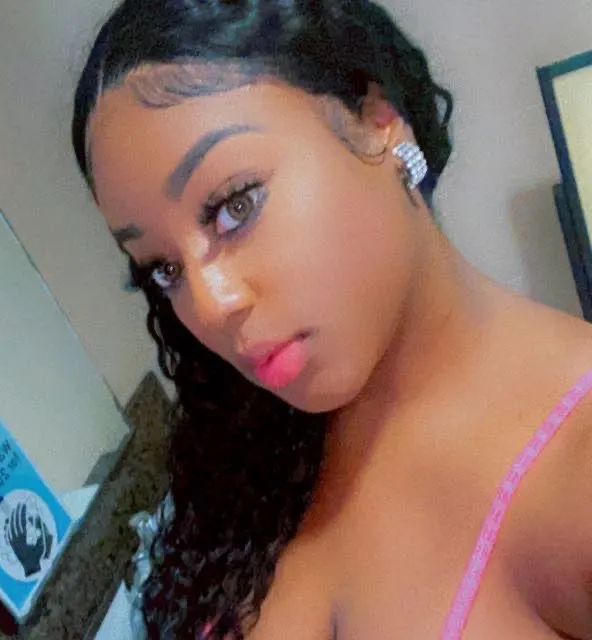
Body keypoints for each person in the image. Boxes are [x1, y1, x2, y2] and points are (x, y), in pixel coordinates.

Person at [71, 1, 592, 638]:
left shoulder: (575, 470)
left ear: (376, 119)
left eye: (235, 205)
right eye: (164, 267)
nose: (210, 304)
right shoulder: (252, 464)